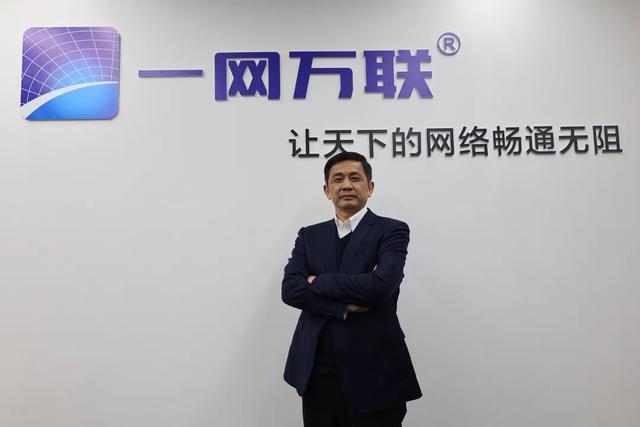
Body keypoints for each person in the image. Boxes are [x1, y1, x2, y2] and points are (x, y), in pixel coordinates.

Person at [282, 151, 421, 427]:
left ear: (370, 187)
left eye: (355, 178)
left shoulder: (391, 231)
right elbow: (290, 290)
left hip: (376, 370)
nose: (346, 185)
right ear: (327, 190)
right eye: (338, 179)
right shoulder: (309, 235)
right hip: (318, 370)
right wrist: (343, 306)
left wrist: (316, 281)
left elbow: (379, 287)